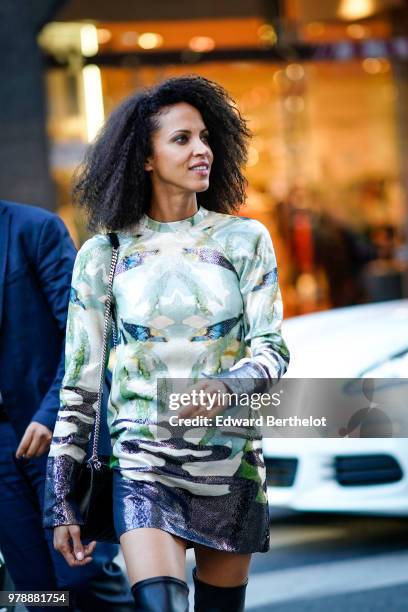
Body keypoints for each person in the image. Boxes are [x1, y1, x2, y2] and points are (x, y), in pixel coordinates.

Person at [43, 75, 290, 612]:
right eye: (182, 139)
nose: (201, 149)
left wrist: (231, 383)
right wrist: (60, 500)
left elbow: (273, 349)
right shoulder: (103, 255)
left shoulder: (245, 239)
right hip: (141, 467)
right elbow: (79, 385)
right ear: (146, 157)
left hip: (231, 466)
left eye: (205, 137)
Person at [0, 199, 135, 611]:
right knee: (36, 593)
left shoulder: (35, 229)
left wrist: (49, 414)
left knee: (85, 577)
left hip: (62, 430)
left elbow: (86, 334)